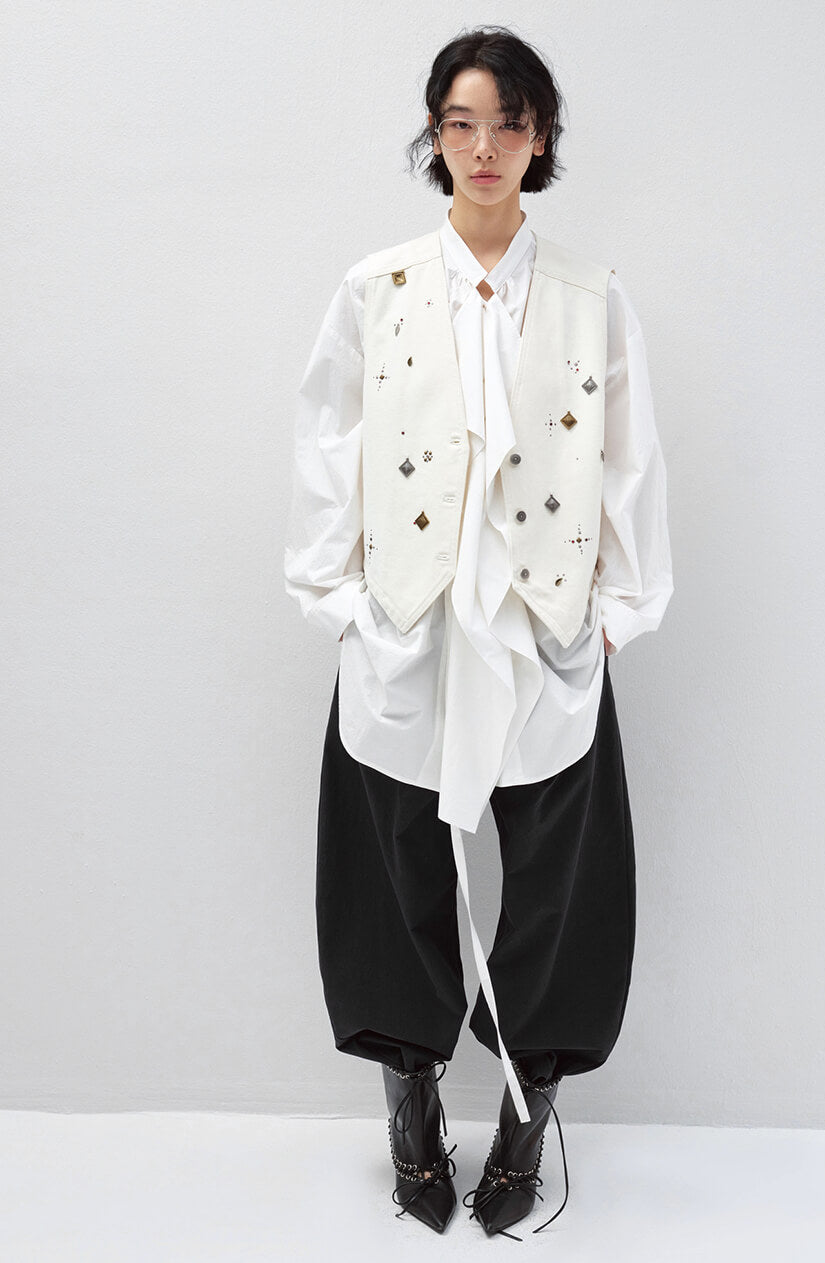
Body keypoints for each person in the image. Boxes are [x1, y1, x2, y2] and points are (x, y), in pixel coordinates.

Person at [284, 25, 673, 1239]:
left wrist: (618, 612)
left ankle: (526, 1104)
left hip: (543, 621)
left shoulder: (590, 296)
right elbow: (329, 437)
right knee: (391, 863)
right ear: (435, 136)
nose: (485, 146)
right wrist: (338, 601)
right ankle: (408, 1093)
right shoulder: (378, 286)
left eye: (509, 123)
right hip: (406, 618)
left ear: (539, 137)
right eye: (462, 123)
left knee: (561, 876)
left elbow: (628, 455)